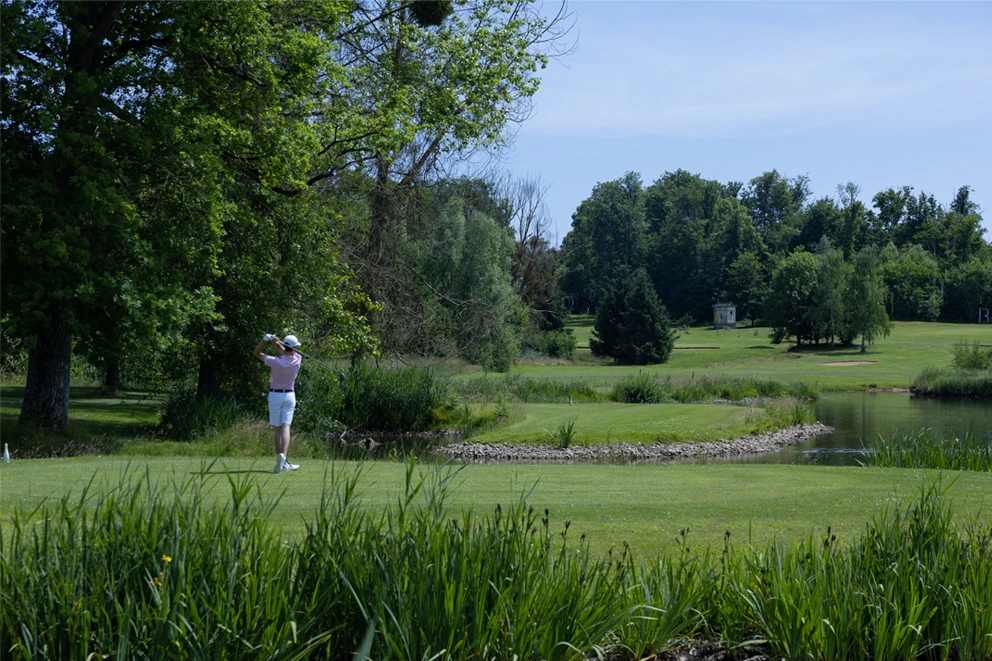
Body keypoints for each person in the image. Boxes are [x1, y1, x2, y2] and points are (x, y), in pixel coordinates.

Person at [253, 334, 303, 473]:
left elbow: (256, 353)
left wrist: (264, 339)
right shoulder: (298, 359)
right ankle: (284, 458)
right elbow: (286, 351)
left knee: (277, 428)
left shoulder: (275, 361)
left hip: (275, 395)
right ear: (293, 348)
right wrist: (277, 344)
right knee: (286, 426)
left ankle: (280, 457)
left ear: (285, 345)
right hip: (289, 395)